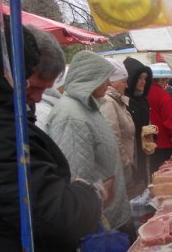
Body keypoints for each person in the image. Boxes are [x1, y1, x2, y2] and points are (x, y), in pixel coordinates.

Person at [0, 8, 108, 252]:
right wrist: (90, 192)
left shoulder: (3, 120)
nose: (34, 95)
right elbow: (55, 211)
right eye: (28, 81)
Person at [46, 51, 135, 239]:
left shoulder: (88, 107)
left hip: (112, 212)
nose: (109, 83)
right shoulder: (70, 117)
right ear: (90, 79)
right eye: (104, 79)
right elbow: (76, 176)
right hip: (100, 223)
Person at [100, 59, 137, 198]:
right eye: (123, 81)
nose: (126, 85)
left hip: (126, 163)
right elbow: (113, 136)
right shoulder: (108, 102)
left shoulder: (117, 100)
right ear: (111, 82)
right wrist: (126, 162)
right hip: (121, 166)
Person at [123, 57, 153, 188]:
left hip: (144, 153)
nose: (143, 82)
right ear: (131, 78)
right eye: (140, 78)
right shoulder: (123, 101)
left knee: (143, 183)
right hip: (131, 156)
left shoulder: (143, 100)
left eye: (145, 78)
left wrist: (151, 133)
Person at [147, 63, 172, 173]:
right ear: (162, 79)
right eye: (166, 80)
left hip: (149, 140)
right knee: (166, 172)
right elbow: (170, 119)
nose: (166, 83)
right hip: (165, 141)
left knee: (154, 171)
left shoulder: (144, 94)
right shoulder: (164, 96)